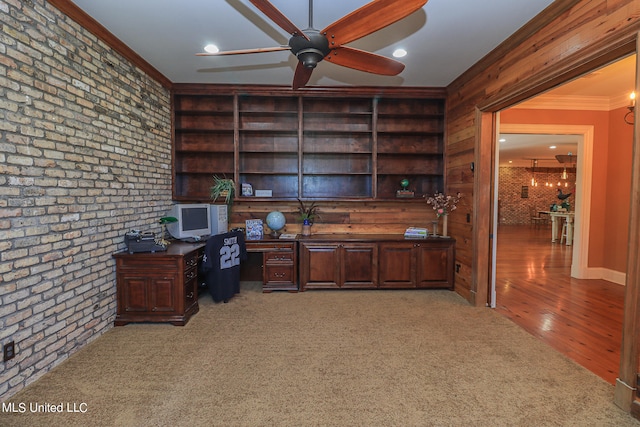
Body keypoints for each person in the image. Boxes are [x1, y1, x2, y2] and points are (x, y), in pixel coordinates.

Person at [201, 230, 247, 303]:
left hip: (219, 274)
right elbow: (243, 257)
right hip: (230, 270)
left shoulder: (212, 241)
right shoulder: (238, 235)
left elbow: (206, 266)